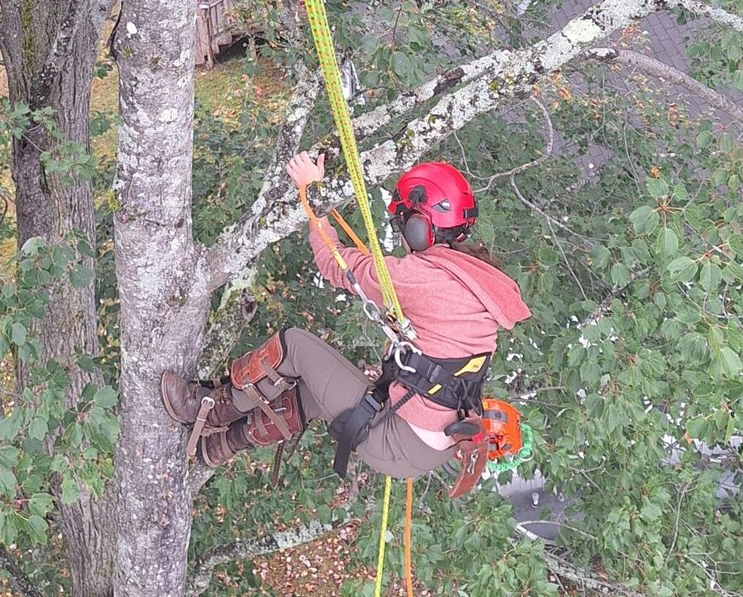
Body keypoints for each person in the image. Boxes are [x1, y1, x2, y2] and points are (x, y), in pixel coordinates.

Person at [162, 151, 529, 480]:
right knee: (311, 390)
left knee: (295, 346)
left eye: (401, 225)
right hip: (429, 446)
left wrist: (312, 194)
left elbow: (334, 262)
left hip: (398, 439)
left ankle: (204, 410)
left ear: (418, 228)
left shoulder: (422, 277)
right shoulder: (478, 279)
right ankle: (219, 446)